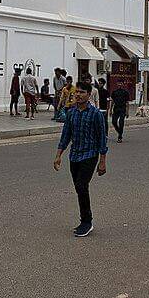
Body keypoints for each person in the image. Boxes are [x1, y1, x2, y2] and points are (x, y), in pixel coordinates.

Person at [53, 80, 108, 237]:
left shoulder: (96, 114)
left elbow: (101, 138)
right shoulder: (71, 113)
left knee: (82, 185)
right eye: (77, 92)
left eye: (82, 92)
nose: (78, 95)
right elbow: (66, 135)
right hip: (74, 156)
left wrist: (102, 161)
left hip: (90, 155)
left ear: (89, 95)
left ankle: (86, 221)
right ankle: (84, 219)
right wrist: (58, 156)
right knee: (79, 188)